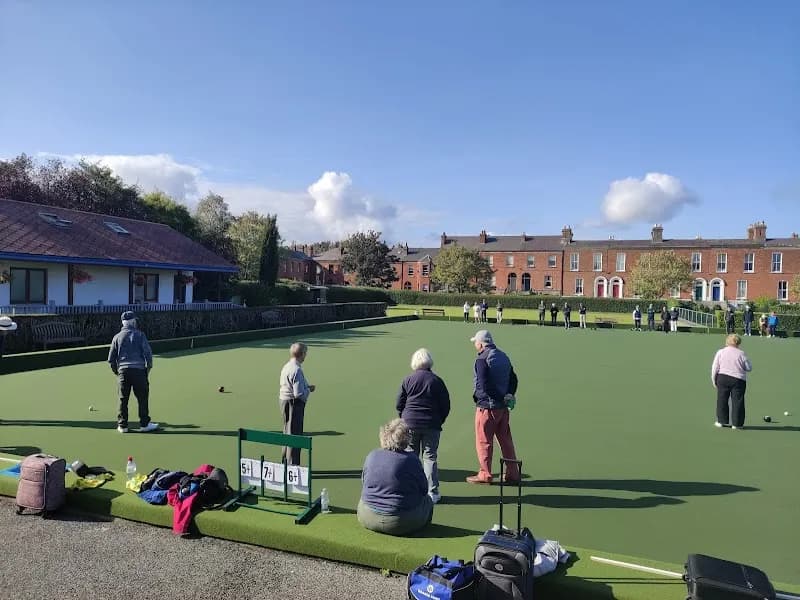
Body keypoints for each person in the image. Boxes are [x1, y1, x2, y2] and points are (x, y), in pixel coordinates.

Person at [357, 418, 433, 536]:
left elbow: (364, 481)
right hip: (398, 522)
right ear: (406, 439)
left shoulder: (372, 455)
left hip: (366, 516)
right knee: (428, 500)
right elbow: (424, 489)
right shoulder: (411, 460)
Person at [396, 348, 450, 504]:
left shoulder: (408, 380)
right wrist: (439, 420)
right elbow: (445, 405)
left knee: (410, 456)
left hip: (410, 423)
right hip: (431, 424)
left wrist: (403, 418)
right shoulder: (436, 380)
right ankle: (432, 492)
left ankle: (410, 490)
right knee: (430, 457)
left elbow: (399, 403)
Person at [466, 330, 520, 485]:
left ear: (481, 343)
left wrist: (499, 397)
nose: (475, 345)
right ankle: (513, 473)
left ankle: (485, 474)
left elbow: (484, 385)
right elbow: (514, 379)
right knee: (506, 440)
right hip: (502, 409)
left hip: (486, 408)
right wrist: (508, 395)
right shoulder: (503, 356)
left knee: (484, 441)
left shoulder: (481, 359)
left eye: (476, 342)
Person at [108, 311, 159, 433]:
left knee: (123, 399)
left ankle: (122, 426)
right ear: (132, 322)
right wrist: (147, 370)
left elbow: (111, 359)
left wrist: (117, 372)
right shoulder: (140, 335)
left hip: (123, 371)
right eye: (135, 320)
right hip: (139, 371)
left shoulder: (116, 337)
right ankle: (144, 424)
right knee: (142, 398)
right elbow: (148, 354)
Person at [278, 342, 316, 465]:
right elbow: (299, 394)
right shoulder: (297, 370)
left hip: (284, 401)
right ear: (302, 354)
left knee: (287, 432)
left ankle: (285, 462)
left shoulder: (286, 366)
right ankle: (293, 465)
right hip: (294, 404)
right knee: (295, 434)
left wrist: (305, 387)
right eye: (305, 353)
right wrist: (308, 390)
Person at [711, 334, 752, 429]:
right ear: (738, 343)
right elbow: (749, 368)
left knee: (722, 399)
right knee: (738, 401)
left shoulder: (721, 352)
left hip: (722, 378)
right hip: (738, 380)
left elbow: (715, 367)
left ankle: (721, 421)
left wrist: (714, 380)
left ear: (727, 342)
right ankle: (737, 424)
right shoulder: (741, 353)